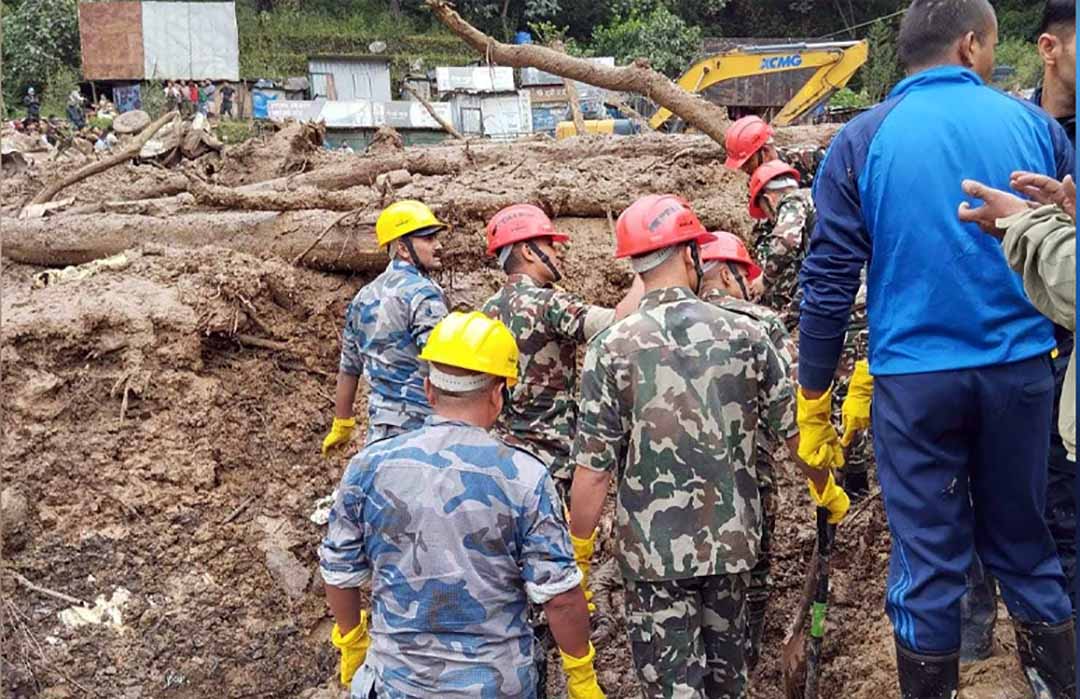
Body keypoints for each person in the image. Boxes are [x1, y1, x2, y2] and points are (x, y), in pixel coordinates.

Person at [796, 0, 1075, 695]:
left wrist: (814, 394)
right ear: (972, 45)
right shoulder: (1037, 127)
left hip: (915, 382)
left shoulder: (861, 140)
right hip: (1021, 373)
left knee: (927, 563)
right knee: (1026, 547)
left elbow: (828, 280)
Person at [568, 194, 847, 699]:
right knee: (728, 685)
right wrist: (826, 489)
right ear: (690, 255)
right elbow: (796, 435)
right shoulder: (747, 333)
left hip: (654, 558)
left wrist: (580, 553)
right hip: (734, 544)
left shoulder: (609, 348)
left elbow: (593, 471)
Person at [319, 311, 605, 699]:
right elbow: (561, 598)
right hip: (495, 685)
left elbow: (339, 572)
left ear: (428, 390)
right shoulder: (524, 477)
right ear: (497, 393)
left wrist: (353, 642)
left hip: (395, 683)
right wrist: (580, 674)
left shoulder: (369, 467)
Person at [480, 204, 642, 501]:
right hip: (549, 462)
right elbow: (618, 322)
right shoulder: (548, 303)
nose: (559, 252)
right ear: (528, 252)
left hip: (501, 458)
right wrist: (646, 268)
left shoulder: (486, 309)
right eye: (550, 245)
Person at [695, 231, 792, 671]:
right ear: (731, 274)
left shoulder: (664, 322)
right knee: (756, 562)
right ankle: (744, 653)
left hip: (680, 473)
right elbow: (786, 397)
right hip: (751, 468)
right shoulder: (762, 323)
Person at [322, 200, 450, 454]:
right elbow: (443, 362)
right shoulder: (424, 294)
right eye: (428, 239)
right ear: (403, 248)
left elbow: (349, 368)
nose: (439, 246)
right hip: (423, 434)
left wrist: (342, 422)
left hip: (380, 435)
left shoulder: (363, 297)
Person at [747, 159, 812, 332]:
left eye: (765, 211)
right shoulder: (818, 198)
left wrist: (765, 279)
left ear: (769, 199)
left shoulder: (793, 200)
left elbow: (786, 242)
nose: (769, 219)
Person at [723, 114, 827, 186]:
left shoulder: (812, 159)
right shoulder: (754, 183)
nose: (744, 169)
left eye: (748, 162)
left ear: (765, 151)